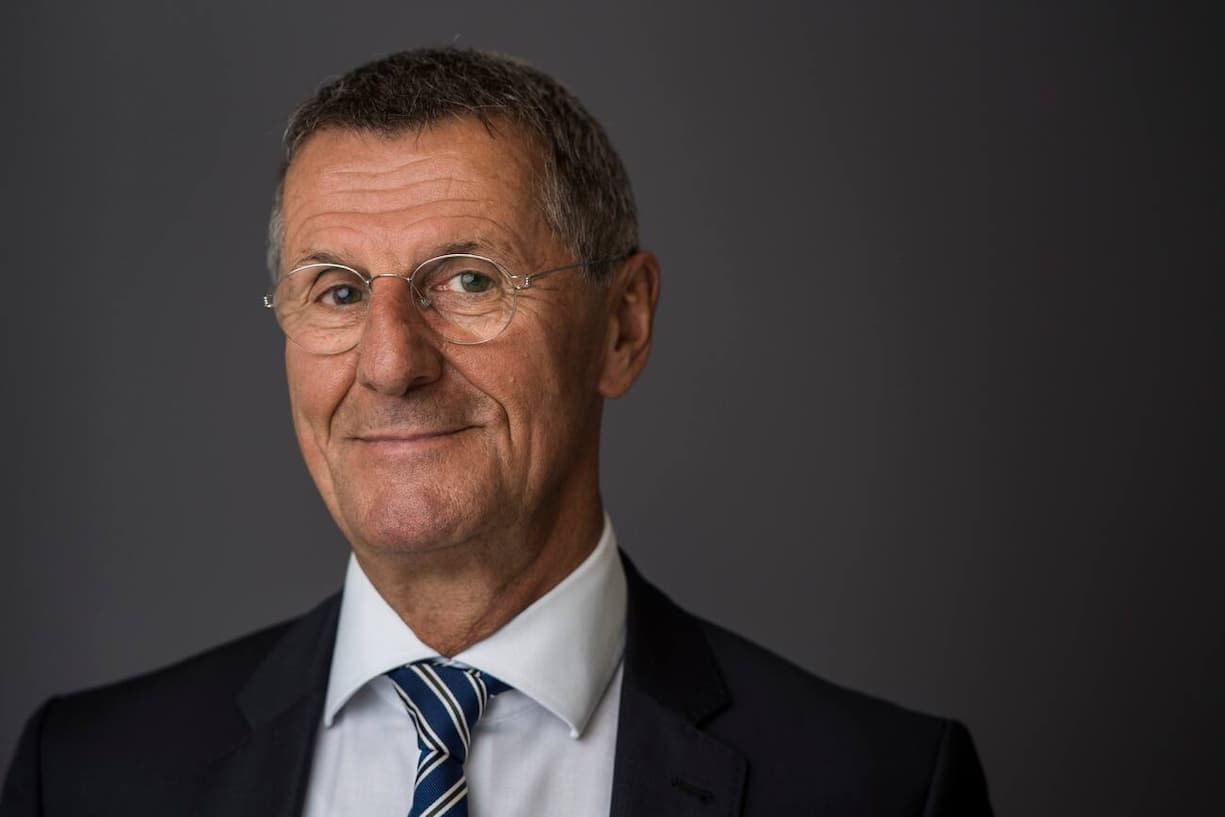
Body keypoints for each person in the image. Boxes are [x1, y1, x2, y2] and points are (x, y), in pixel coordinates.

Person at [0, 48, 992, 816]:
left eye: (468, 281)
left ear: (622, 325)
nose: (390, 362)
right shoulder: (86, 774)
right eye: (337, 291)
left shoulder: (878, 788)